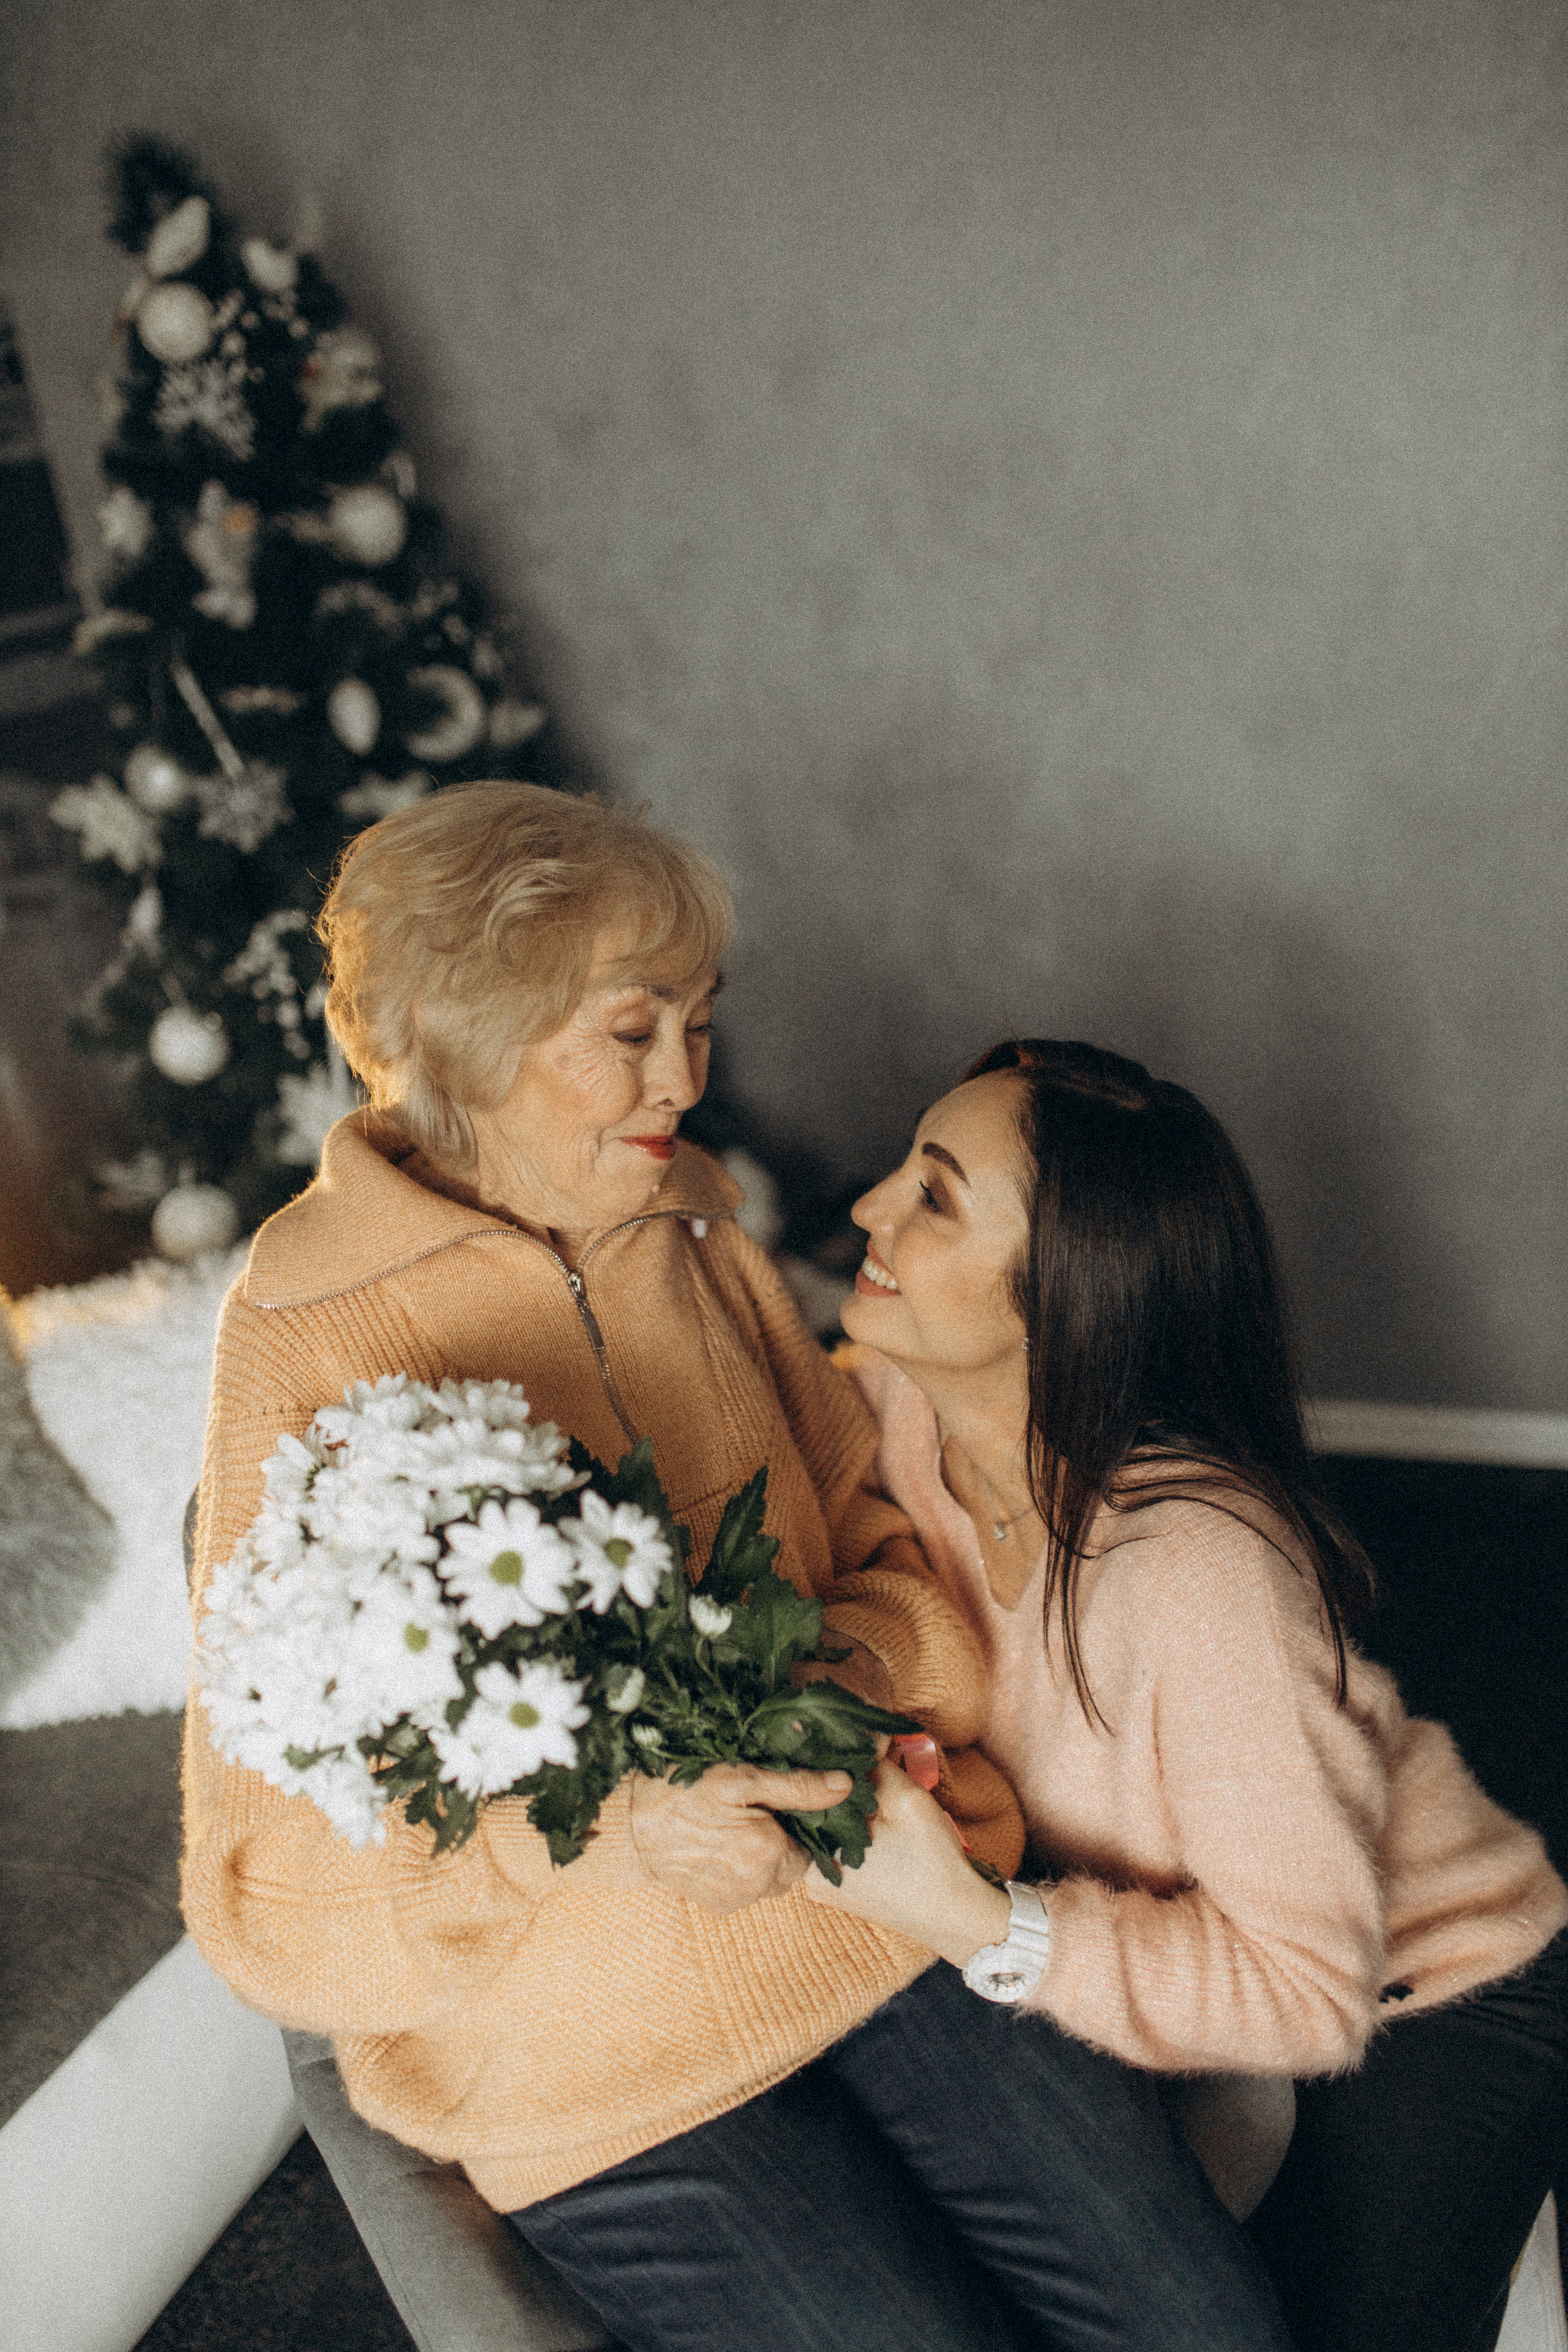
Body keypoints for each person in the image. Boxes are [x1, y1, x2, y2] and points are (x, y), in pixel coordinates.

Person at [181, 797, 1292, 2352]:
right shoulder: (302, 1347)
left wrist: (826, 1683)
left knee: (1206, 2329)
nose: (686, 1080)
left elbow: (907, 1584)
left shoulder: (690, 1232)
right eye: (629, 1031)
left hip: (875, 1920)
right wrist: (603, 1828)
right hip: (596, 2075)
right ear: (459, 1029)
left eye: (696, 1025)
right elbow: (262, 1911)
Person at [813, 1035, 1568, 2352]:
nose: (869, 1207)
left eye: (934, 1195)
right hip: (1176, 1922)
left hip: (1418, 1988)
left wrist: (982, 1922)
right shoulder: (899, 1401)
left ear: (1065, 1292)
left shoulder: (1199, 1579)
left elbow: (1302, 1990)